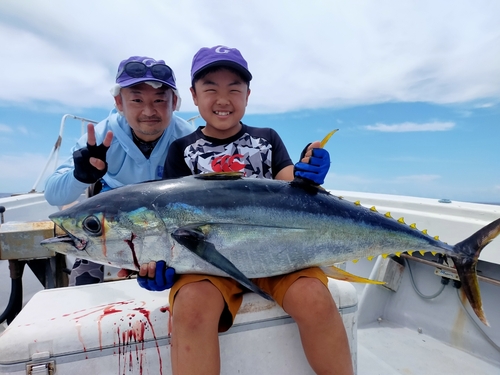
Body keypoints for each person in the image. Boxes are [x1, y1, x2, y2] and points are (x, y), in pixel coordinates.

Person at [137, 46, 353, 375]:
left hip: (279, 257)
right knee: (191, 308)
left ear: (248, 95)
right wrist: (156, 263)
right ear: (194, 96)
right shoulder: (181, 150)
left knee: (314, 298)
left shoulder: (266, 139)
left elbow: (288, 181)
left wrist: (307, 169)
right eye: (211, 88)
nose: (223, 99)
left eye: (234, 89)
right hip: (209, 264)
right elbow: (168, 219)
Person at [44, 56, 194, 286]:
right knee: (84, 286)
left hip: (167, 228)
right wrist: (79, 176)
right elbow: (54, 195)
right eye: (136, 99)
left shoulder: (187, 140)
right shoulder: (100, 138)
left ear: (174, 102)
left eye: (159, 100)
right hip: (110, 228)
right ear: (118, 102)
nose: (148, 111)